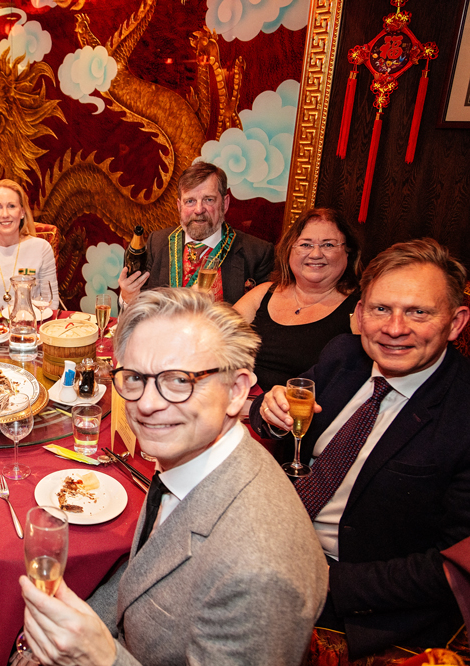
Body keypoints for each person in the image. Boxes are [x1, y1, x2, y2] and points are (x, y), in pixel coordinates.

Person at [20, 288, 327, 665]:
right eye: (135, 377)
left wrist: (101, 656)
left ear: (236, 392)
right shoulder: (189, 457)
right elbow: (141, 578)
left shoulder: (261, 570)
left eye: (180, 380)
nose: (148, 404)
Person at [250, 238, 470, 657]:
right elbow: (276, 418)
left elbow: (454, 564)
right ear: (360, 313)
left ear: (456, 322)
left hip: (352, 593)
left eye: (418, 312)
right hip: (273, 534)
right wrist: (270, 411)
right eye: (381, 309)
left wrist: (325, 580)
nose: (394, 328)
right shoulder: (343, 356)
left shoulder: (462, 412)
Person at [234, 207, 362, 391]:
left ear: (348, 251)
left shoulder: (359, 309)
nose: (316, 254)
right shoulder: (263, 293)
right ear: (289, 250)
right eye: (305, 245)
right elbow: (214, 340)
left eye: (328, 245)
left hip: (302, 407)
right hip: (241, 400)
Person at [119, 161, 274, 306]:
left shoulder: (257, 253)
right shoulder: (156, 243)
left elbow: (262, 319)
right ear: (179, 206)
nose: (199, 210)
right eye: (190, 201)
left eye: (208, 199)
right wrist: (128, 297)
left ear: (225, 204)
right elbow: (140, 308)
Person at [0, 179, 58, 311]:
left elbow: (52, 304)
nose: (5, 214)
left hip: (30, 322)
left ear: (22, 212)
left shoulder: (42, 248)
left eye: (11, 206)